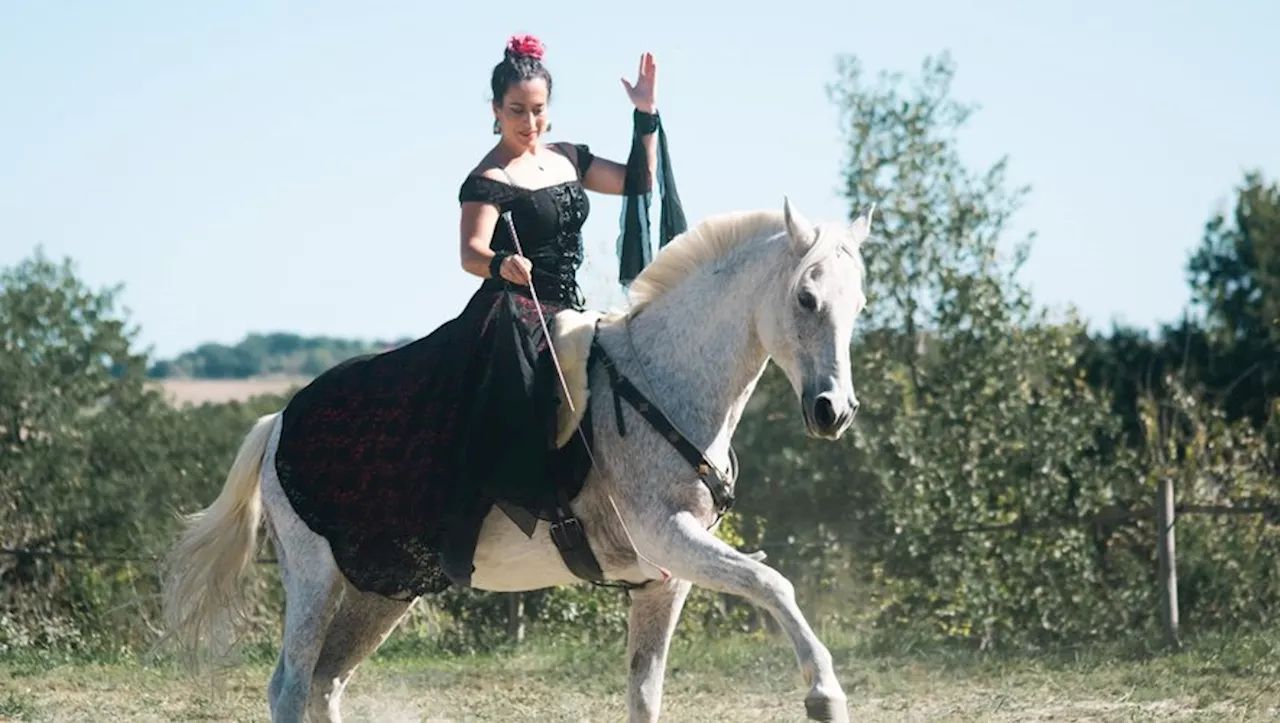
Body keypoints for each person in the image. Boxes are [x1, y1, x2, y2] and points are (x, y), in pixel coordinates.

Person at [270, 33, 687, 598]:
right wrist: (501, 264)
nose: (529, 122)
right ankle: (528, 523)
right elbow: (469, 252)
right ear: (495, 110)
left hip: (569, 311)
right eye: (517, 111)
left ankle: (627, 521)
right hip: (512, 312)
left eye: (538, 110)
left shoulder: (569, 158)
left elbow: (640, 182)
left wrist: (646, 115)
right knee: (519, 402)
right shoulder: (488, 178)